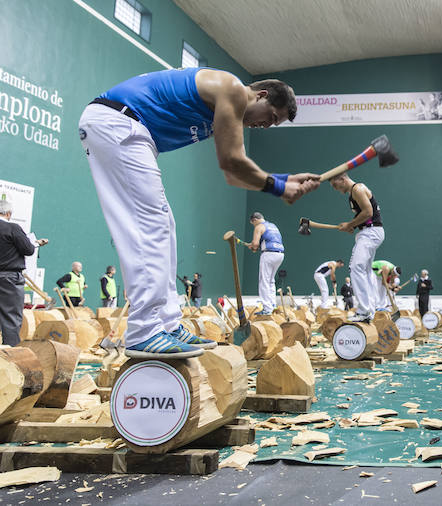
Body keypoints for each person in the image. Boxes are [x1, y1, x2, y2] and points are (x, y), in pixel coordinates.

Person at [79, 67, 319, 358]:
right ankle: (144, 331)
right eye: (270, 117)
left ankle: (167, 324)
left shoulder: (227, 104)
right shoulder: (231, 89)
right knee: (151, 224)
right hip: (119, 122)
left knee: (164, 224)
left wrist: (285, 181)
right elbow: (232, 163)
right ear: (262, 94)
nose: (265, 126)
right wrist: (280, 187)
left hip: (126, 128)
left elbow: (237, 172)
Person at [330, 173, 383, 322]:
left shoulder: (358, 189)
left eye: (335, 185)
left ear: (342, 178)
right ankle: (370, 311)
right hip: (369, 231)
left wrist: (350, 224)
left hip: (371, 233)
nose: (336, 189)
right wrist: (351, 225)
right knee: (365, 272)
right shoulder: (353, 193)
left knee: (355, 268)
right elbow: (364, 216)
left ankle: (364, 311)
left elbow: (368, 212)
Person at [0, 200, 48, 345]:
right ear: (8, 213)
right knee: (11, 318)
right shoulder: (12, 228)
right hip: (9, 279)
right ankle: (10, 358)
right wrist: (36, 243)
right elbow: (28, 249)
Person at [248, 212, 284, 315]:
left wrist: (253, 246)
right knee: (271, 281)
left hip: (268, 254)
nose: (254, 225)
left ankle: (267, 308)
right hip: (280, 254)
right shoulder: (273, 225)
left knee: (263, 281)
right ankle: (272, 305)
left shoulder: (259, 226)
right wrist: (256, 246)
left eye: (253, 223)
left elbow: (255, 244)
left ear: (254, 220)